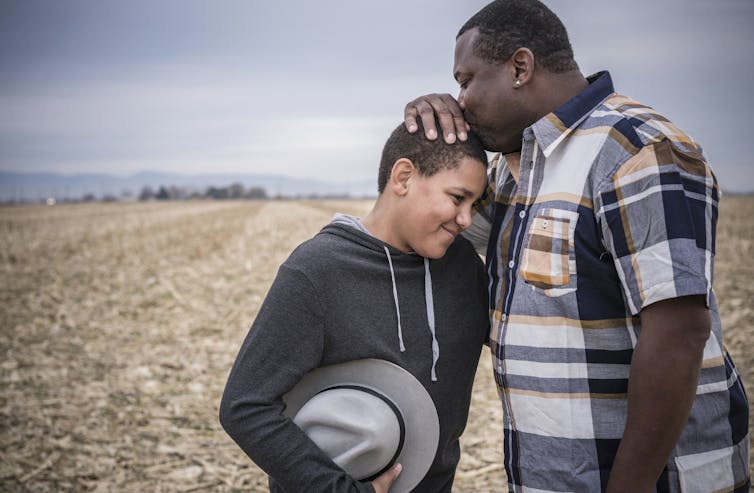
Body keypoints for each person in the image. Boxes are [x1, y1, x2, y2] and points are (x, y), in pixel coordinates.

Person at [403, 1, 750, 492]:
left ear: (520, 67)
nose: (460, 100)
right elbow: (430, 230)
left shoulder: (637, 150)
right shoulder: (512, 168)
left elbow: (679, 334)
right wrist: (433, 137)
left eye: (466, 80)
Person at [219, 119, 491, 492]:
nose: (466, 219)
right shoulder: (317, 271)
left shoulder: (461, 266)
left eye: (476, 204)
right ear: (403, 178)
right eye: (457, 198)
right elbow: (245, 406)